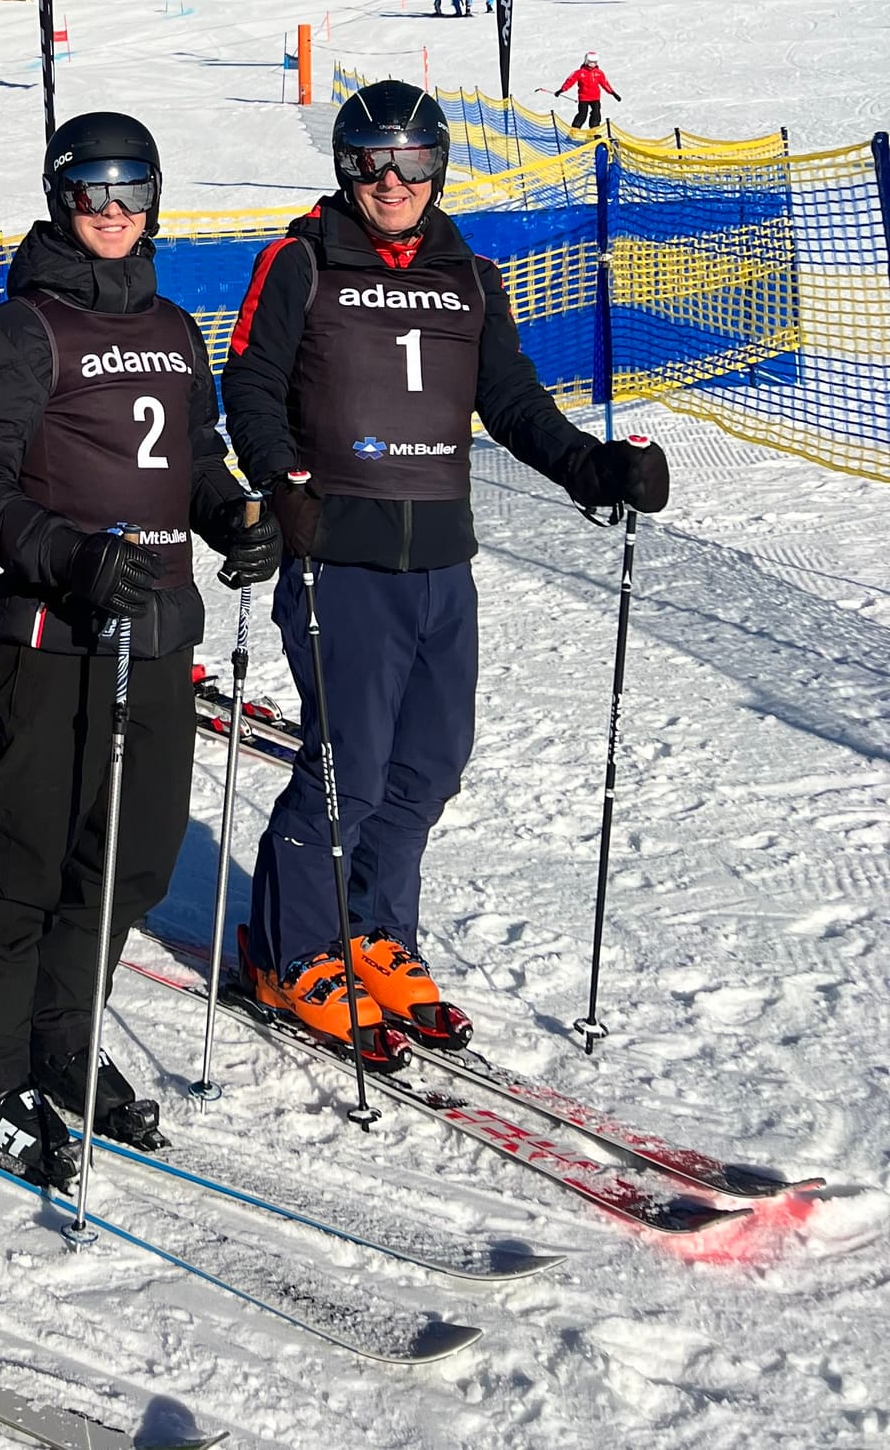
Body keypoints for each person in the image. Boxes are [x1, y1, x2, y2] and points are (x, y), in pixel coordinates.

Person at [222, 82, 670, 1052]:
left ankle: (375, 929)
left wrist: (592, 467)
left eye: (411, 162)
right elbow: (249, 383)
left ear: (436, 166)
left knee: (427, 762)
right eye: (370, 163)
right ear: (344, 168)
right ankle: (289, 950)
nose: (390, 181)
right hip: (340, 551)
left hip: (438, 557)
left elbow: (509, 401)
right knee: (348, 764)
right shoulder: (300, 261)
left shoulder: (469, 274)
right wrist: (281, 476)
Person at [0, 113, 281, 1181]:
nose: (111, 212)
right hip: (59, 635)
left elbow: (195, 457)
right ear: (57, 197)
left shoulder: (173, 329)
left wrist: (233, 517)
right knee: (30, 854)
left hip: (160, 633)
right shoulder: (16, 329)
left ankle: (59, 1036)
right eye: (90, 191)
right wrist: (66, 555)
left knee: (133, 855)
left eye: (130, 191)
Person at [555, 55, 620, 132]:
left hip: (595, 97)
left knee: (596, 114)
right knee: (582, 114)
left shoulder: (599, 73)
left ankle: (594, 131)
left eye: (594, 62)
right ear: (586, 61)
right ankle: (574, 130)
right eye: (590, 62)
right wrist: (562, 90)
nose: (592, 64)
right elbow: (570, 81)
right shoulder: (579, 73)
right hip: (584, 97)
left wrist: (613, 93)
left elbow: (605, 84)